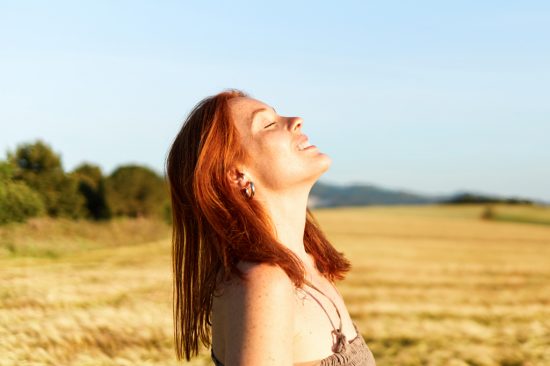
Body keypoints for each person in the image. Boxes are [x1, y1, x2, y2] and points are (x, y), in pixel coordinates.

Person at [165, 89, 376, 365]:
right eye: (268, 124)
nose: (296, 120)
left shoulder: (310, 266)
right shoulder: (264, 282)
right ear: (237, 175)